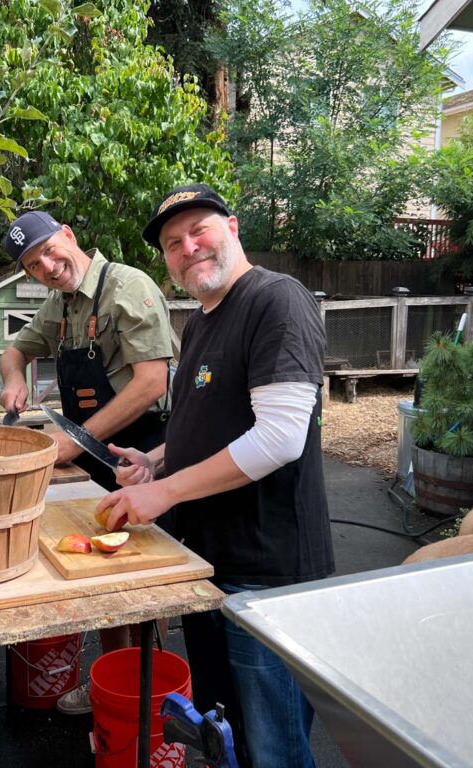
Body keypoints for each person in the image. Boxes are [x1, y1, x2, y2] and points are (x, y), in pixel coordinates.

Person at [96, 184, 334, 768]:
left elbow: (280, 438)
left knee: (275, 747)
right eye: (173, 244)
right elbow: (209, 422)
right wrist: (158, 460)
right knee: (227, 738)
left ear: (233, 227)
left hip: (267, 576)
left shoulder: (277, 300)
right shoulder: (201, 320)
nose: (188, 248)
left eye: (199, 231)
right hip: (207, 564)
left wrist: (163, 490)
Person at [0, 210, 174, 715]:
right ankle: (110, 682)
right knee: (98, 571)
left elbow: (151, 382)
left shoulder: (125, 285)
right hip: (93, 450)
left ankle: (143, 694)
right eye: (34, 265)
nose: (49, 268)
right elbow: (16, 350)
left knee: (142, 580)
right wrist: (13, 378)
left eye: (51, 252)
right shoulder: (62, 303)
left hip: (143, 450)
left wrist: (76, 441)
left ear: (70, 236)